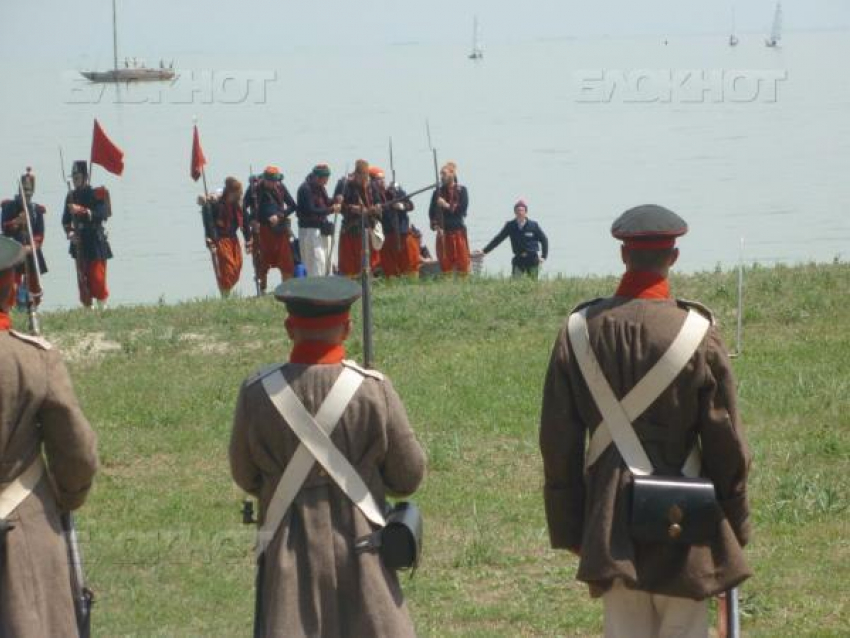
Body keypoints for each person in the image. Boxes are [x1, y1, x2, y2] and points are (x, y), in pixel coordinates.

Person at [539, 204, 752, 638]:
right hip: (687, 514)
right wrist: (731, 518)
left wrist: (572, 525)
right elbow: (724, 439)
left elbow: (558, 440)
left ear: (624, 256)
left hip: (610, 515)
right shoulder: (698, 332)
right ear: (672, 257)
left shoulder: (579, 330)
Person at [229, 277, 426, 638]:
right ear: (348, 328)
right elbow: (408, 477)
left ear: (290, 328)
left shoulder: (256, 393)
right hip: (365, 556)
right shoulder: (373, 390)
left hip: (288, 561)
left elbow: (245, 475)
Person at [0, 236, 99, 637]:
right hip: (22, 524)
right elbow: (76, 456)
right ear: (11, 286)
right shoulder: (33, 358)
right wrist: (67, 498)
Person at [61, 160, 113, 309]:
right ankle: (87, 307)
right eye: (74, 177)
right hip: (79, 241)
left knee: (97, 277)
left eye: (78, 177)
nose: (75, 180)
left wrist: (82, 211)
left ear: (85, 177)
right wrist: (70, 234)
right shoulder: (70, 196)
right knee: (82, 278)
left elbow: (101, 215)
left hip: (95, 240)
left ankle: (103, 305)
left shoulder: (97, 193)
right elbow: (65, 221)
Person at [1, 168, 48, 307]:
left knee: (34, 285)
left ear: (32, 191)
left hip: (30, 250)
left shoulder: (37, 210)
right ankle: (12, 307)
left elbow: (40, 234)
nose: (26, 193)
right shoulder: (8, 206)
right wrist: (16, 222)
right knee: (11, 284)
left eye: (28, 190)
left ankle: (33, 307)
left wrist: (30, 247)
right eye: (24, 189)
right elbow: (4, 228)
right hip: (14, 251)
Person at [200, 177, 249, 297]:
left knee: (237, 267)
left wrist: (248, 238)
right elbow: (209, 222)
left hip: (233, 239)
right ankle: (225, 295)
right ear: (231, 192)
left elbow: (245, 221)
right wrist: (211, 239)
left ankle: (226, 292)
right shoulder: (217, 204)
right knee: (228, 269)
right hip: (221, 239)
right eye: (238, 192)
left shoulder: (238, 205)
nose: (240, 194)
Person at [252, 166, 297, 292]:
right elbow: (245, 208)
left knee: (286, 262)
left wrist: (280, 216)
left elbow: (293, 206)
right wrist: (252, 221)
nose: (273, 184)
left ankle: (286, 290)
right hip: (263, 231)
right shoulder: (255, 190)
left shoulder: (281, 188)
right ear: (264, 179)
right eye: (270, 181)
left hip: (280, 230)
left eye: (275, 181)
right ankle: (262, 290)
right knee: (261, 263)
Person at [478, 199, 548, 279]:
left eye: (522, 210)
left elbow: (544, 240)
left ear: (525, 212)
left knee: (533, 283)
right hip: (518, 259)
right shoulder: (510, 225)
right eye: (518, 210)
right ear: (515, 212)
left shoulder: (533, 225)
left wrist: (543, 256)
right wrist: (484, 251)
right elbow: (498, 239)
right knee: (515, 282)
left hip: (532, 259)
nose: (520, 212)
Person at [338, 160, 382, 277]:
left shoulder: (372, 186)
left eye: (366, 176)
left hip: (368, 228)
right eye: (363, 176)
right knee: (350, 264)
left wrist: (376, 208)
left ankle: (368, 283)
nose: (365, 179)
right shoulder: (345, 185)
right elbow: (339, 206)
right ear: (357, 174)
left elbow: (378, 202)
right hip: (351, 229)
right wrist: (353, 209)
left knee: (370, 262)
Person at [296, 164, 340, 277]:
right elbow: (311, 210)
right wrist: (331, 210)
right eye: (325, 179)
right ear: (317, 177)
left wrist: (335, 200)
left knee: (326, 262)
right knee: (315, 262)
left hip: (322, 229)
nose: (326, 182)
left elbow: (326, 202)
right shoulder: (305, 189)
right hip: (309, 231)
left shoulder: (320, 188)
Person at [428, 161, 470, 275]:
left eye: (444, 174)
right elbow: (431, 213)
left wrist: (446, 205)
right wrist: (436, 226)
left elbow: (462, 209)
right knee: (445, 262)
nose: (442, 177)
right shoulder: (438, 192)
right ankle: (448, 283)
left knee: (462, 261)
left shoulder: (462, 190)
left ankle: (464, 283)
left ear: (452, 174)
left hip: (458, 231)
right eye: (441, 174)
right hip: (443, 232)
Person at [378, 171, 419, 278]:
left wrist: (402, 206)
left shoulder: (396, 191)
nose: (380, 181)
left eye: (382, 179)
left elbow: (410, 205)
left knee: (407, 259)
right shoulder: (375, 195)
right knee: (389, 263)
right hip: (387, 232)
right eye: (377, 179)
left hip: (401, 231)